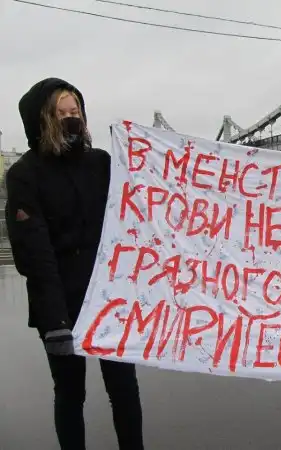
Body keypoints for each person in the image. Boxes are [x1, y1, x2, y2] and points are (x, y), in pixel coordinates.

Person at [4, 78, 145, 450]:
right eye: (62, 113)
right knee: (70, 392)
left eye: (76, 111)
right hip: (60, 303)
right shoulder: (24, 174)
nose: (71, 118)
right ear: (43, 119)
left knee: (124, 388)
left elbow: (135, 217)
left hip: (108, 299)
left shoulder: (101, 163)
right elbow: (34, 253)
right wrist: (56, 322)